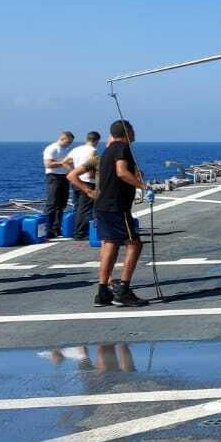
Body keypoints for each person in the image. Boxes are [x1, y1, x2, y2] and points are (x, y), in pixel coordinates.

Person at [92, 119, 148, 307]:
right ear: (127, 132)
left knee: (110, 244)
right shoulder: (122, 148)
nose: (134, 133)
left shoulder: (107, 150)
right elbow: (122, 172)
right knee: (135, 244)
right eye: (132, 130)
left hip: (102, 206)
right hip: (117, 207)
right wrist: (143, 186)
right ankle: (123, 290)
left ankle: (102, 292)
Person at [64, 130, 101, 239]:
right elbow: (91, 165)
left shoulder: (76, 149)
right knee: (85, 209)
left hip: (76, 181)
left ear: (86, 139)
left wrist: (73, 171)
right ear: (97, 141)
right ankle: (80, 233)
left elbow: (65, 162)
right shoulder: (93, 151)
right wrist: (93, 176)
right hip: (88, 182)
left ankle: (76, 230)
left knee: (77, 207)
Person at [42, 130, 75, 238]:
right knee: (52, 203)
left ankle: (56, 229)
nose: (69, 144)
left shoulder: (66, 150)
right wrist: (63, 163)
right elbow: (48, 164)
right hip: (54, 177)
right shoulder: (51, 149)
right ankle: (47, 229)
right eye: (68, 142)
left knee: (61, 205)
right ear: (62, 139)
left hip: (64, 177)